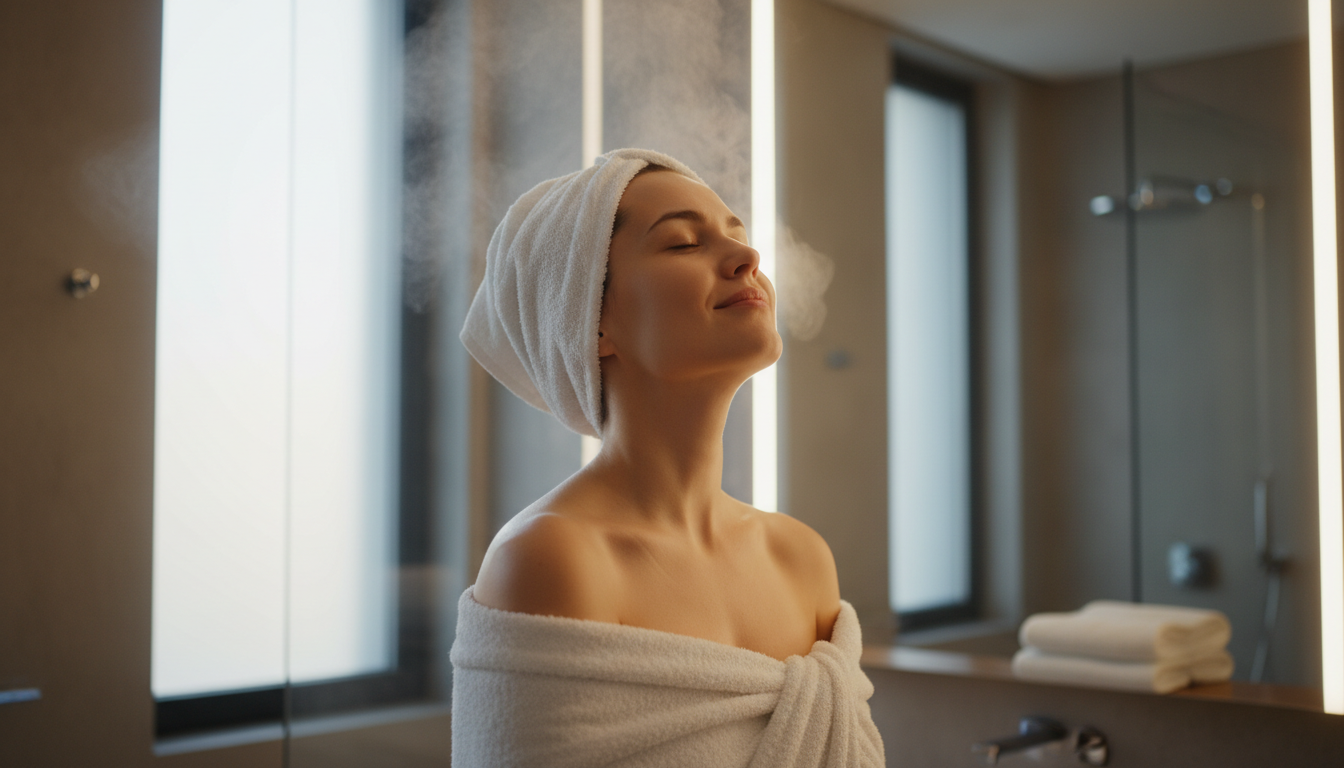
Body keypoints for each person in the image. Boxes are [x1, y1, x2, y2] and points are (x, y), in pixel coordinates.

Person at [452, 148, 884, 768]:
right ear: (590, 321)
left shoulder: (801, 558)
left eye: (737, 235)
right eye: (684, 243)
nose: (748, 258)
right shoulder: (553, 560)